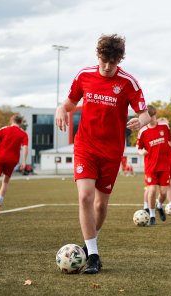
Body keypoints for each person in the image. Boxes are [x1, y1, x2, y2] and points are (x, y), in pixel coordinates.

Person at [55, 34, 150, 274]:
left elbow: (145, 113)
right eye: (104, 60)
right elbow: (68, 103)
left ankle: (89, 244)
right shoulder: (84, 75)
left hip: (111, 152)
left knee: (100, 204)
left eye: (113, 62)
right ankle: (94, 255)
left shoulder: (129, 82)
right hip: (85, 146)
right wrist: (60, 109)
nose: (107, 67)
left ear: (120, 60)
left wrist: (141, 121)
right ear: (97, 56)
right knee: (85, 197)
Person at [137, 105, 171, 225]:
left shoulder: (164, 127)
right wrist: (142, 152)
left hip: (164, 166)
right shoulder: (143, 131)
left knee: (163, 193)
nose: (151, 119)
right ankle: (152, 215)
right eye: (149, 117)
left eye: (152, 116)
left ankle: (160, 205)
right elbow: (139, 148)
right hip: (151, 167)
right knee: (151, 190)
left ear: (155, 115)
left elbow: (170, 140)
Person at [0, 114, 28, 214]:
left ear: (11, 120)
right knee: (5, 181)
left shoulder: (3, 129)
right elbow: (25, 148)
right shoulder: (23, 134)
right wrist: (24, 161)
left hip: (0, 157)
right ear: (20, 123)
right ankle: (0, 202)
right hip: (12, 160)